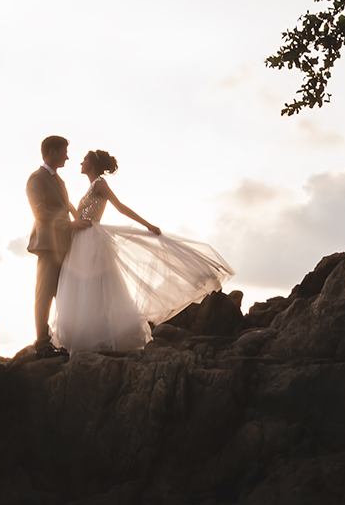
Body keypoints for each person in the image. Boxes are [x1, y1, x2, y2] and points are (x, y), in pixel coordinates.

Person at [50, 149, 233, 354]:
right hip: (81, 238)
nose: (80, 163)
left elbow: (120, 207)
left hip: (91, 239)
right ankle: (85, 334)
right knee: (83, 286)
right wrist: (70, 212)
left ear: (92, 164)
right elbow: (82, 214)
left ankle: (97, 336)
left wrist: (147, 224)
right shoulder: (91, 186)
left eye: (84, 160)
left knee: (95, 287)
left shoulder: (100, 184)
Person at [24, 135, 76, 358]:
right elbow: (40, 213)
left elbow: (66, 206)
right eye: (64, 151)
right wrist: (70, 225)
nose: (67, 156)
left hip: (64, 245)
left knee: (62, 292)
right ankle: (42, 343)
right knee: (44, 293)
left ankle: (59, 338)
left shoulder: (59, 181)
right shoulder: (36, 179)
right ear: (52, 152)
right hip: (47, 245)